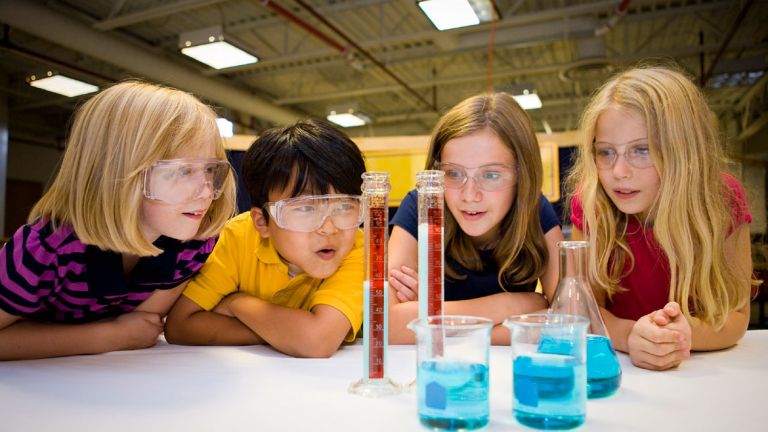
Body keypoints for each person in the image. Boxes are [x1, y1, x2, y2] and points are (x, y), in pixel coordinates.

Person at [0, 81, 236, 360]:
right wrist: (109, 336)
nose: (207, 191)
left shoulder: (193, 242)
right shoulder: (42, 248)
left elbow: (144, 325)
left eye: (210, 169)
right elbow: (131, 333)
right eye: (183, 171)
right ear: (116, 173)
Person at [566, 65, 753, 371]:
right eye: (606, 152)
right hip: (623, 370)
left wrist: (681, 334)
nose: (619, 172)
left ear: (683, 152)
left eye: (642, 150)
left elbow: (736, 317)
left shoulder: (722, 200)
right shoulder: (592, 204)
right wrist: (630, 336)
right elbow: (585, 312)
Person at [165, 119, 366, 358]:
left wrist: (238, 304)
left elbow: (317, 341)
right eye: (304, 208)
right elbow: (180, 326)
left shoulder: (357, 247)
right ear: (262, 222)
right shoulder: (237, 238)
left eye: (344, 206)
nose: (329, 228)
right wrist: (286, 333)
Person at [388, 93, 563, 345]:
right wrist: (515, 303)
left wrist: (432, 319)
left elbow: (568, 318)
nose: (469, 195)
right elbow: (389, 324)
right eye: (453, 173)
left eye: (490, 175)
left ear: (521, 177)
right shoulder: (420, 206)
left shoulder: (534, 210)